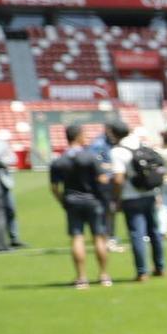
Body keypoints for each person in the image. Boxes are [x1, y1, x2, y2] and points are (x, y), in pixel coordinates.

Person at [50, 121, 112, 288]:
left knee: (77, 237)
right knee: (99, 237)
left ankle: (81, 277)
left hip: (72, 200)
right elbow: (102, 179)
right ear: (78, 136)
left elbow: (54, 187)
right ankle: (104, 275)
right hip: (93, 200)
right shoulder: (90, 156)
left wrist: (62, 200)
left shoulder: (59, 160)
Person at [107, 120, 166, 281]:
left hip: (130, 196)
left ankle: (142, 271)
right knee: (154, 231)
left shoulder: (117, 151)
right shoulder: (141, 144)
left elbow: (118, 179)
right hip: (149, 192)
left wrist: (116, 198)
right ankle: (160, 267)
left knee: (137, 233)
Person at [0, 129, 23, 247]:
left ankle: (14, 238)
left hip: (4, 181)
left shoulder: (2, 144)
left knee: (10, 209)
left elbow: (13, 158)